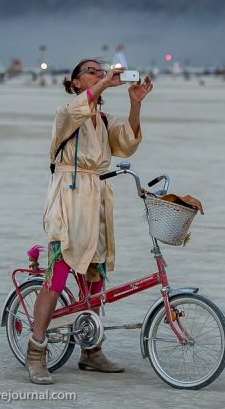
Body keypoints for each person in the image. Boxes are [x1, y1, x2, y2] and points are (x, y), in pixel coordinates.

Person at [27, 59, 153, 385]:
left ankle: (91, 349)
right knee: (57, 276)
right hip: (68, 202)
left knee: (95, 280)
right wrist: (106, 82)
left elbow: (126, 144)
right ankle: (36, 350)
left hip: (95, 202)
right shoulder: (67, 114)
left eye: (102, 70)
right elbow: (78, 111)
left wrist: (135, 103)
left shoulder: (104, 120)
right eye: (92, 72)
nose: (100, 75)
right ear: (76, 82)